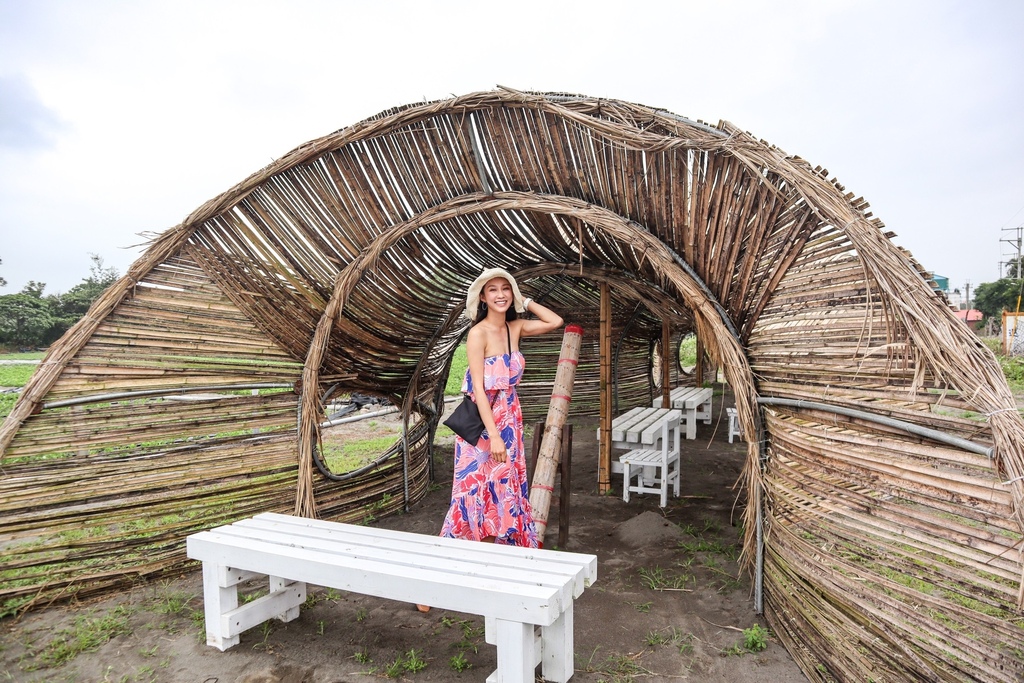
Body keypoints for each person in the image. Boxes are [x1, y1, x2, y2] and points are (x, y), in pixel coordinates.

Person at [417, 268, 563, 612]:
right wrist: (493, 435)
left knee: (506, 495)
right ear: (482, 298)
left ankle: (497, 574)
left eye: (505, 289)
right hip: (484, 429)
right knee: (470, 496)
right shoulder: (477, 333)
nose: (500, 295)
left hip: (510, 421)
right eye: (492, 290)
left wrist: (525, 300)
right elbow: (478, 389)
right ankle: (430, 587)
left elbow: (555, 321)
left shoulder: (515, 327)